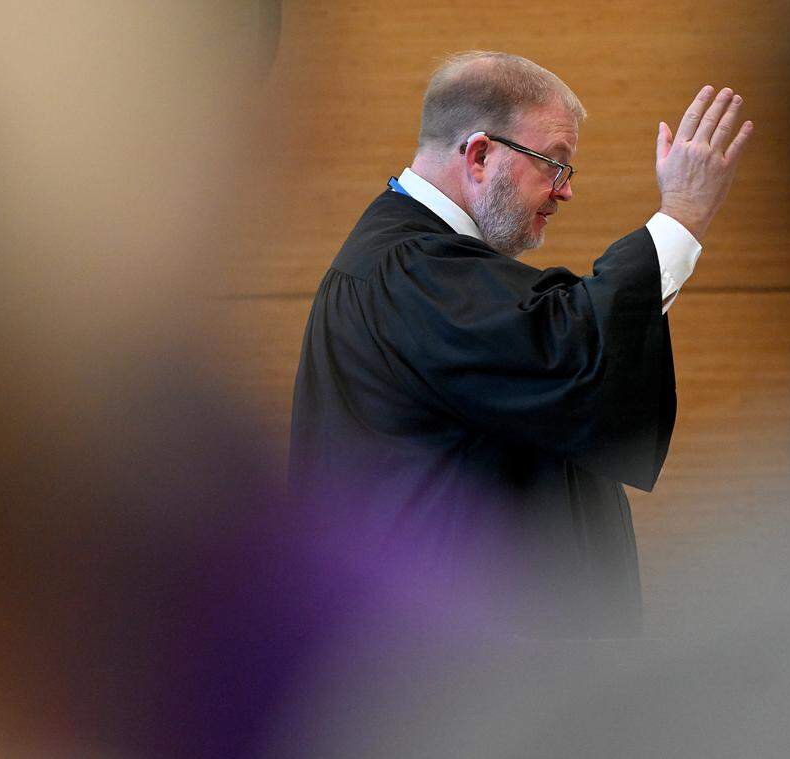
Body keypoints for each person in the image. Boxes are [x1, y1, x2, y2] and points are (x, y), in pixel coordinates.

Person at [289, 51, 753, 638]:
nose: (564, 193)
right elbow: (570, 352)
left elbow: (562, 358)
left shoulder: (420, 265)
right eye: (553, 165)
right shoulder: (408, 268)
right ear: (480, 154)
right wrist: (682, 214)